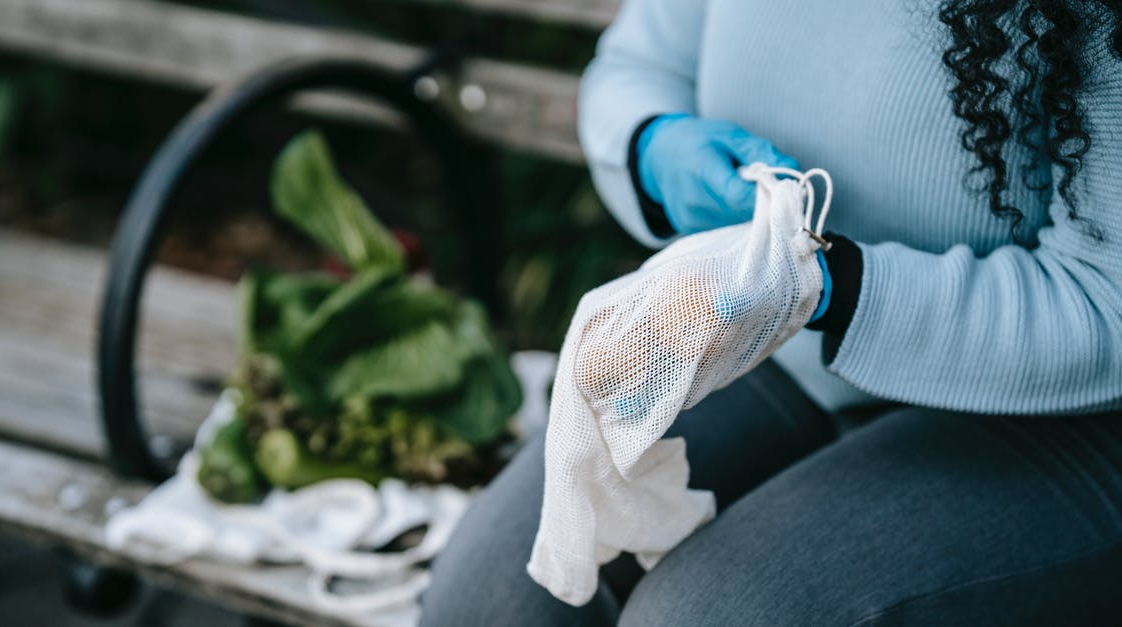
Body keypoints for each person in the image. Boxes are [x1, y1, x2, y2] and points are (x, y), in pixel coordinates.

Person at [420, 0, 1122, 624]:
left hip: (1050, 411)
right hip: (771, 345)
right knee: (492, 591)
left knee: (702, 614)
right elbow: (637, 60)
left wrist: (836, 286)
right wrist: (650, 143)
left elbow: (1106, 299)